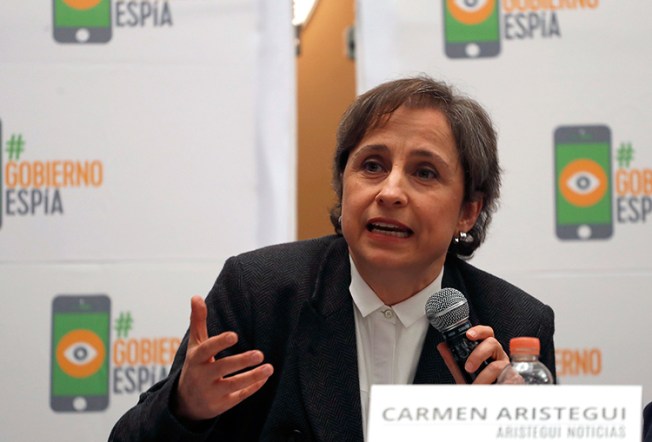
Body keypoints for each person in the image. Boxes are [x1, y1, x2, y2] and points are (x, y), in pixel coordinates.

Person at [109, 76, 556, 441]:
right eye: (372, 166)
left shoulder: (515, 326)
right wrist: (185, 410)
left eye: (424, 172)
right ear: (344, 188)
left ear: (468, 211)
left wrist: (516, 432)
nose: (390, 192)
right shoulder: (258, 294)